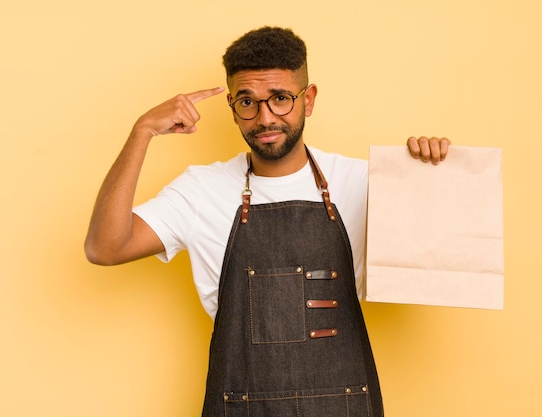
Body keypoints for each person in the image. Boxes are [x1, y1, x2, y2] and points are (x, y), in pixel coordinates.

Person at [85, 26, 450, 417]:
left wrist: (431, 176)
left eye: (280, 99)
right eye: (247, 102)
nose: (265, 118)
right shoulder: (200, 190)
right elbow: (105, 248)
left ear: (308, 100)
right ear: (231, 106)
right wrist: (141, 132)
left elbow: (437, 265)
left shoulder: (364, 182)